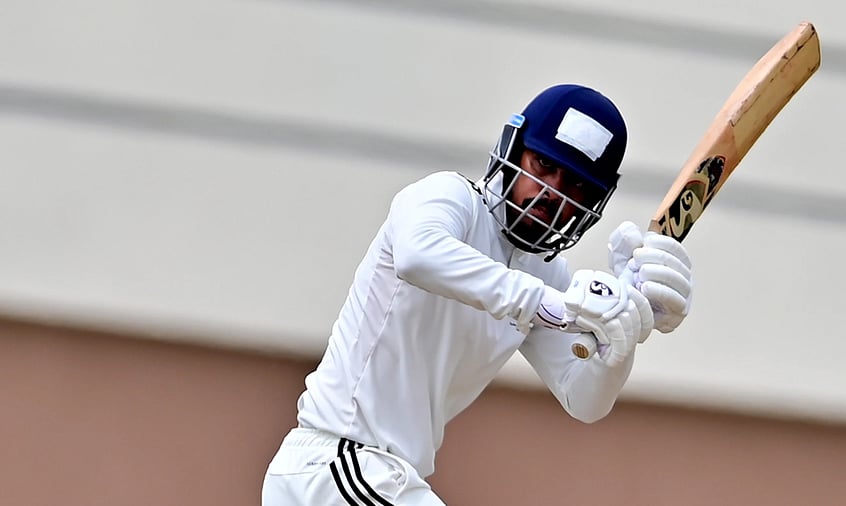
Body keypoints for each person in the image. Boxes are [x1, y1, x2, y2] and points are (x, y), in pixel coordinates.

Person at [262, 84, 693, 505]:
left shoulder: (545, 272)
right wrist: (550, 304)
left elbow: (584, 400)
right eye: (543, 163)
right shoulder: (450, 197)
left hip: (380, 478)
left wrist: (620, 335)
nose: (552, 192)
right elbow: (418, 255)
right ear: (512, 148)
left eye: (576, 186)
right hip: (336, 463)